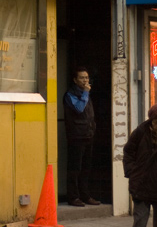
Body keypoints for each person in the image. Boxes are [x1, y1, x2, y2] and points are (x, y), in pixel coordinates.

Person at [63, 66, 101, 207]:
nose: (85, 80)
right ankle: (73, 197)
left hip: (88, 135)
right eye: (82, 77)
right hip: (76, 137)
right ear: (75, 80)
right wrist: (85, 93)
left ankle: (85, 195)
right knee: (75, 169)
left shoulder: (87, 94)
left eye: (86, 77)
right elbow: (79, 109)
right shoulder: (70, 95)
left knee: (86, 169)